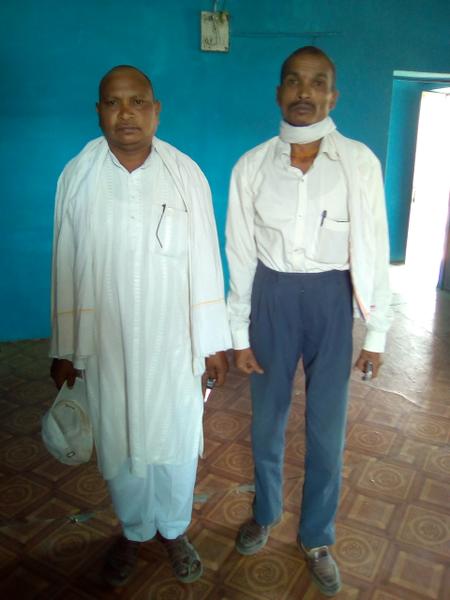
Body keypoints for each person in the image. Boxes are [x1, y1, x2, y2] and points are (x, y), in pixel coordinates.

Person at [50, 65, 231, 587]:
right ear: (99, 112)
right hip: (107, 340)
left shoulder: (186, 174)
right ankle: (133, 530)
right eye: (113, 102)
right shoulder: (77, 176)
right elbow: (65, 261)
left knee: (177, 435)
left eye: (137, 102)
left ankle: (174, 529)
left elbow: (206, 259)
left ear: (156, 110)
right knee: (117, 435)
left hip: (174, 340)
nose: (125, 113)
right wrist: (64, 347)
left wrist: (212, 344)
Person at [226, 46, 391, 596]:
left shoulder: (359, 163)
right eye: (294, 81)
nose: (304, 92)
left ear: (332, 96)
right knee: (267, 420)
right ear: (279, 93)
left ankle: (317, 536)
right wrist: (238, 333)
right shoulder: (251, 166)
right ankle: (265, 513)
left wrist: (377, 331)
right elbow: (240, 253)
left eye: (317, 83)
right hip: (271, 296)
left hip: (330, 299)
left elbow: (373, 246)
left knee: (327, 426)